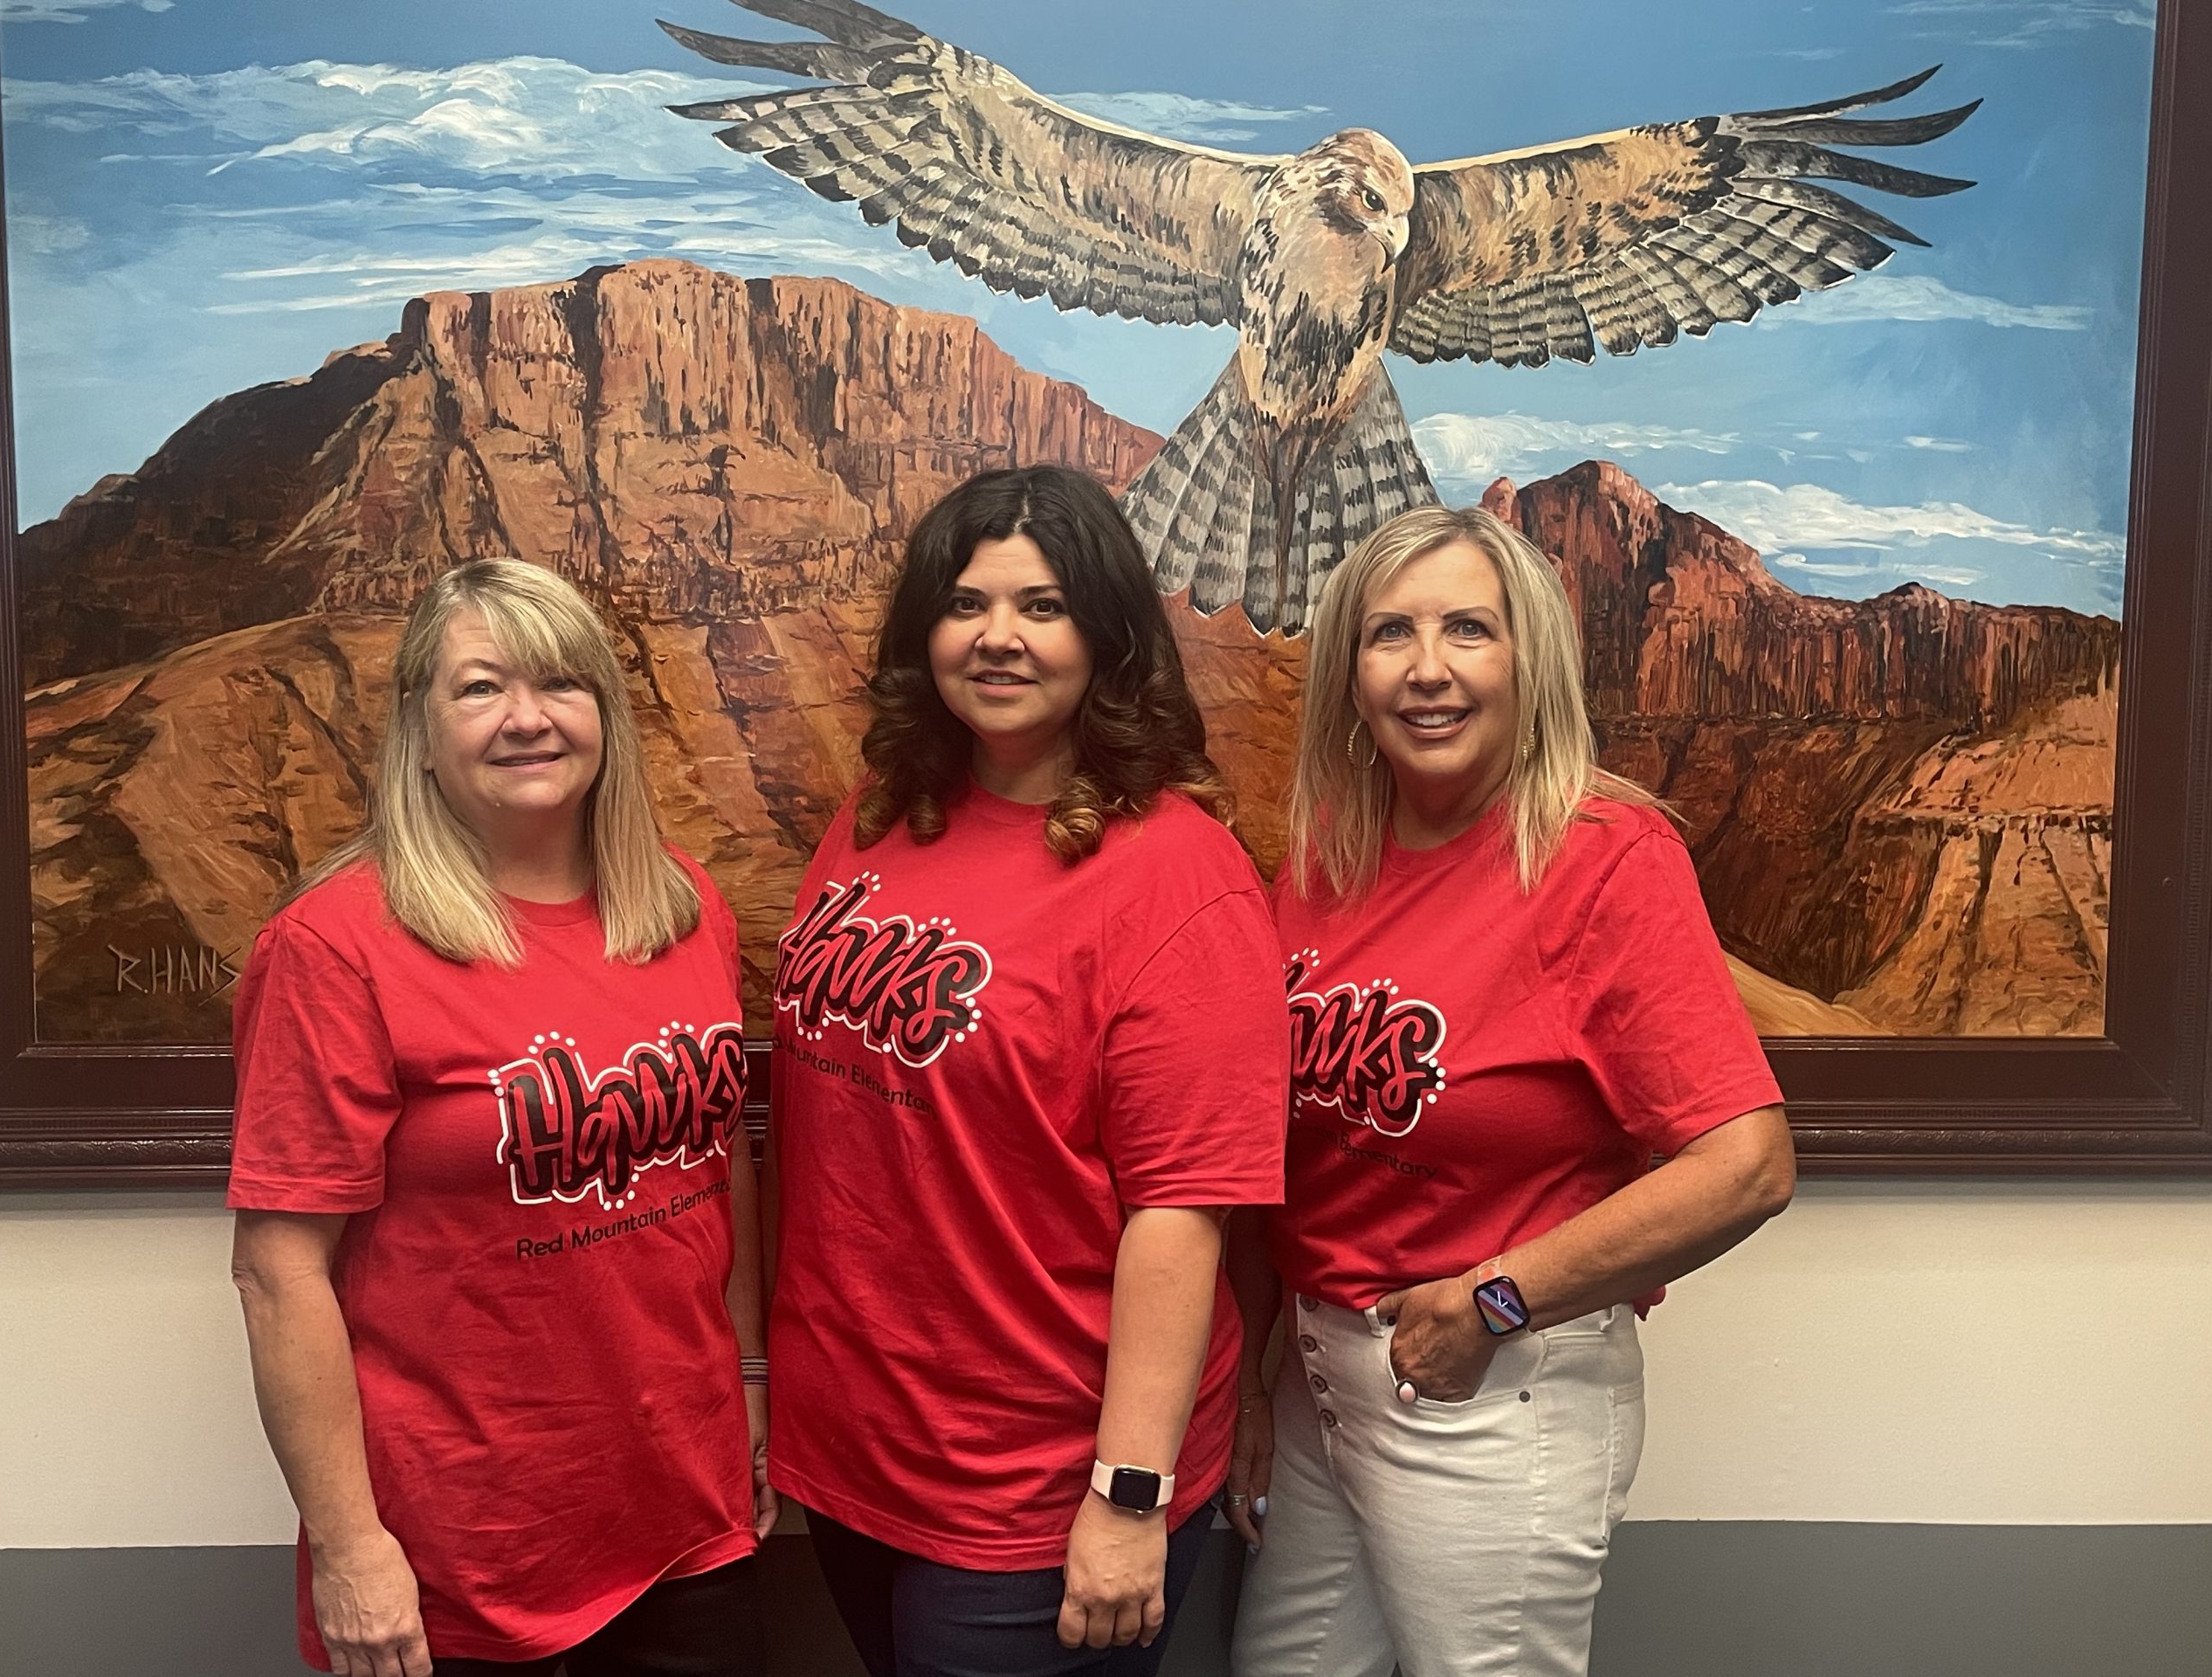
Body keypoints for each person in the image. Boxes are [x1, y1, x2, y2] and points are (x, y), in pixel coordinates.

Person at [1227, 505, 1796, 1677]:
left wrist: (1490, 1302)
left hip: (1493, 1385)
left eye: (1468, 630)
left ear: (1526, 659)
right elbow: (1274, 1154)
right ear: (1349, 671)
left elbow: (1746, 1164)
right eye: (1391, 633)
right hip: (1320, 1379)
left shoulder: (1603, 858)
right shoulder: (1327, 859)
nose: (1428, 669)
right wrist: (1254, 1375)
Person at [764, 466, 1290, 1676]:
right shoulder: (880, 817)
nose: (998, 637)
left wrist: (1130, 1494)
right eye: (965, 603)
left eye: (1043, 606)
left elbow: (1183, 1212)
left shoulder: (1178, 879)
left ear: (1107, 639)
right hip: (859, 1443)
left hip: (1040, 1484)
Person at [227, 558, 774, 1677]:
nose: (526, 718)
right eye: (480, 689)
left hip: (689, 1503)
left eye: (561, 683)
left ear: (607, 718)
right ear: (419, 730)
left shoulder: (683, 908)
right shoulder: (336, 949)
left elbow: (722, 1160)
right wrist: (349, 1547)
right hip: (465, 1543)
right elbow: (279, 1271)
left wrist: (753, 1382)